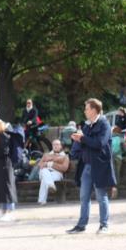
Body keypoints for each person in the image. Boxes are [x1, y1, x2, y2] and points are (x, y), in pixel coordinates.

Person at [66, 98, 115, 234]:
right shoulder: (87, 126)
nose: (85, 111)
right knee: (84, 197)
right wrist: (77, 140)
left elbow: (100, 143)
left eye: (87, 108)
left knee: (101, 196)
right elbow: (84, 143)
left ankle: (104, 225)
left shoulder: (104, 124)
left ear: (94, 110)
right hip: (87, 166)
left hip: (99, 166)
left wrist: (82, 138)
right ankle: (81, 225)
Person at [36, 139, 70, 205]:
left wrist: (50, 164)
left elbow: (64, 168)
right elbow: (40, 165)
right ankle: (51, 185)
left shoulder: (65, 156)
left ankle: (42, 200)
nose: (55, 146)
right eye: (54, 144)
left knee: (44, 179)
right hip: (44, 171)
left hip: (57, 173)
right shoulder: (46, 154)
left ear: (60, 146)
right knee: (44, 171)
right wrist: (55, 161)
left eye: (57, 144)